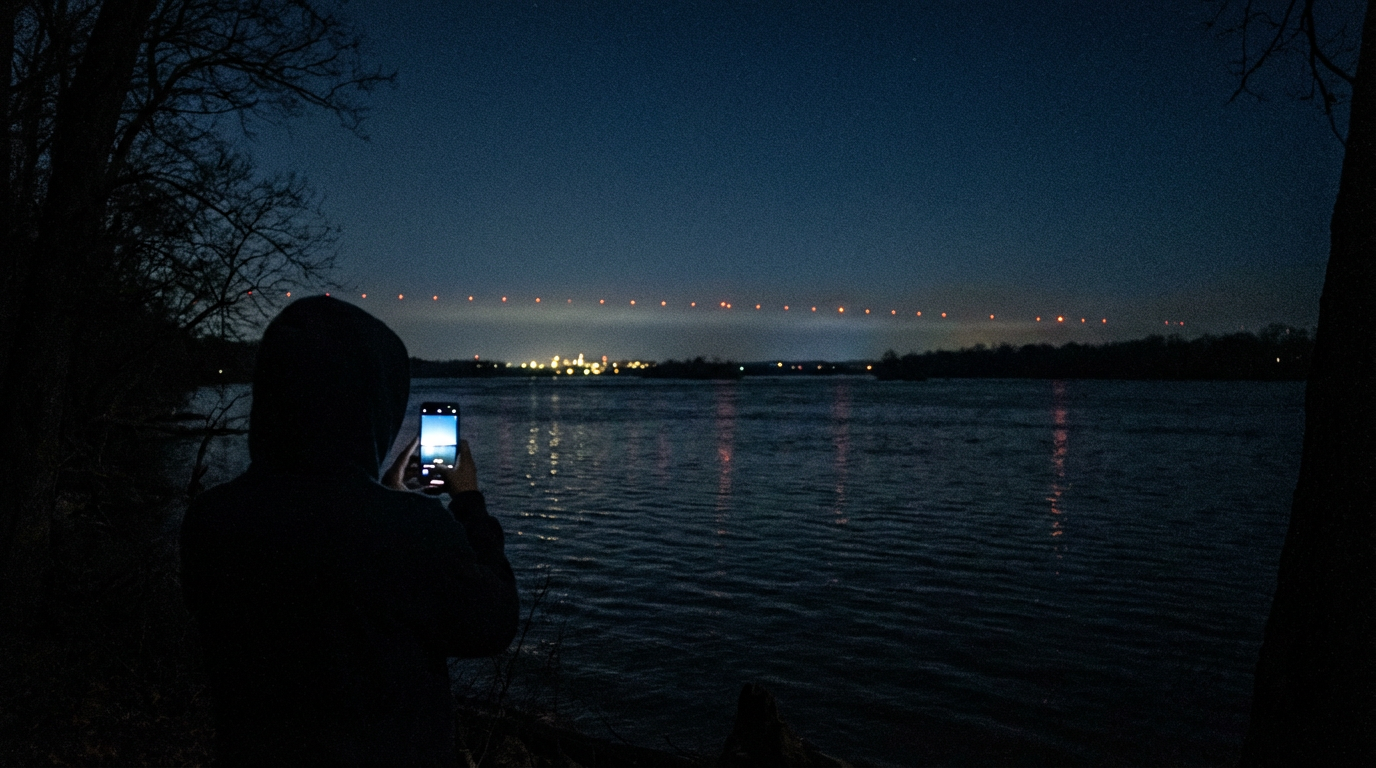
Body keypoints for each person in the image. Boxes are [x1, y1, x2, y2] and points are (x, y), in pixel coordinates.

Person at [180, 296, 519, 766]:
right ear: (371, 405)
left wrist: (379, 497)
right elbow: (493, 622)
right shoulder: (410, 532)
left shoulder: (211, 519)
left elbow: (321, 575)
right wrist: (468, 502)